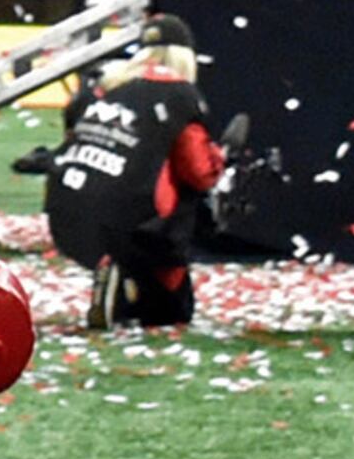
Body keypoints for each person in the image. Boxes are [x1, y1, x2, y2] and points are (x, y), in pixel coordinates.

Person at [44, 17, 227, 330]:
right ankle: (132, 285)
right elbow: (198, 173)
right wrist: (220, 159)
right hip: (133, 226)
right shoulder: (180, 94)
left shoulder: (102, 86)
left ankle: (116, 275)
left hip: (65, 215)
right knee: (171, 311)